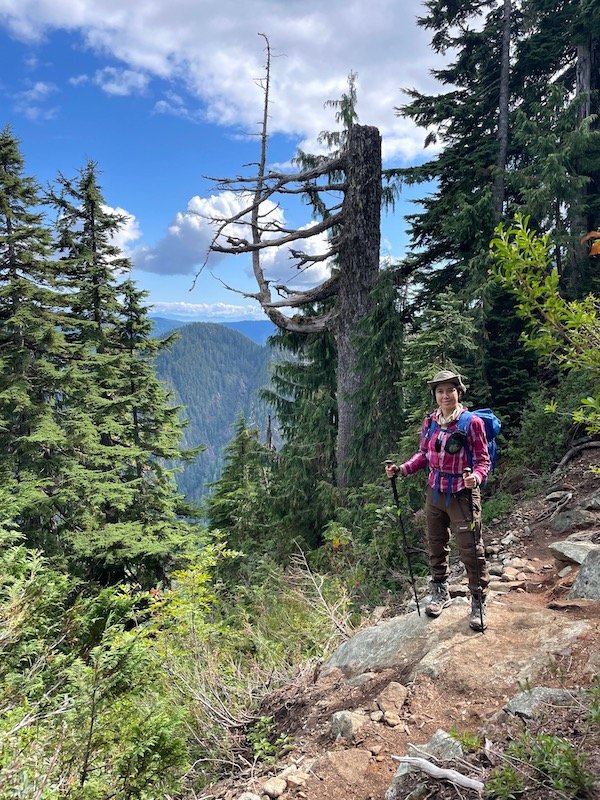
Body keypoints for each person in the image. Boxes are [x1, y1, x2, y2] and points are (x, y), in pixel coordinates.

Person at [385, 369, 490, 631]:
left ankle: (478, 600)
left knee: (470, 548)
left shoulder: (471, 423)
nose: (445, 395)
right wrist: (402, 469)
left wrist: (475, 478)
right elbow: (423, 454)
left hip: (462, 494)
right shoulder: (430, 421)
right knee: (436, 543)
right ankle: (439, 590)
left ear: (459, 392)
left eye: (450, 390)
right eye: (440, 391)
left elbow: (482, 460)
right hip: (435, 491)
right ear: (435, 395)